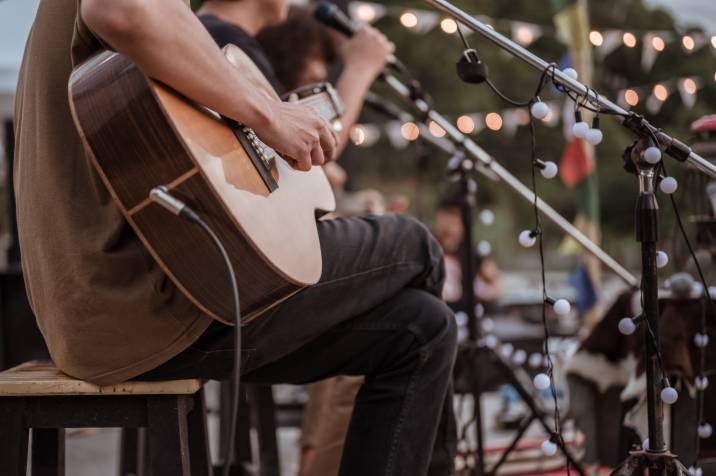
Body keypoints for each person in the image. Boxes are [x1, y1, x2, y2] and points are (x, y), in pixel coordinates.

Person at [13, 1, 457, 474]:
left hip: (120, 311)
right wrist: (268, 114)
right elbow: (120, 10)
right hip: (152, 307)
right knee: (415, 244)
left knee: (423, 327)